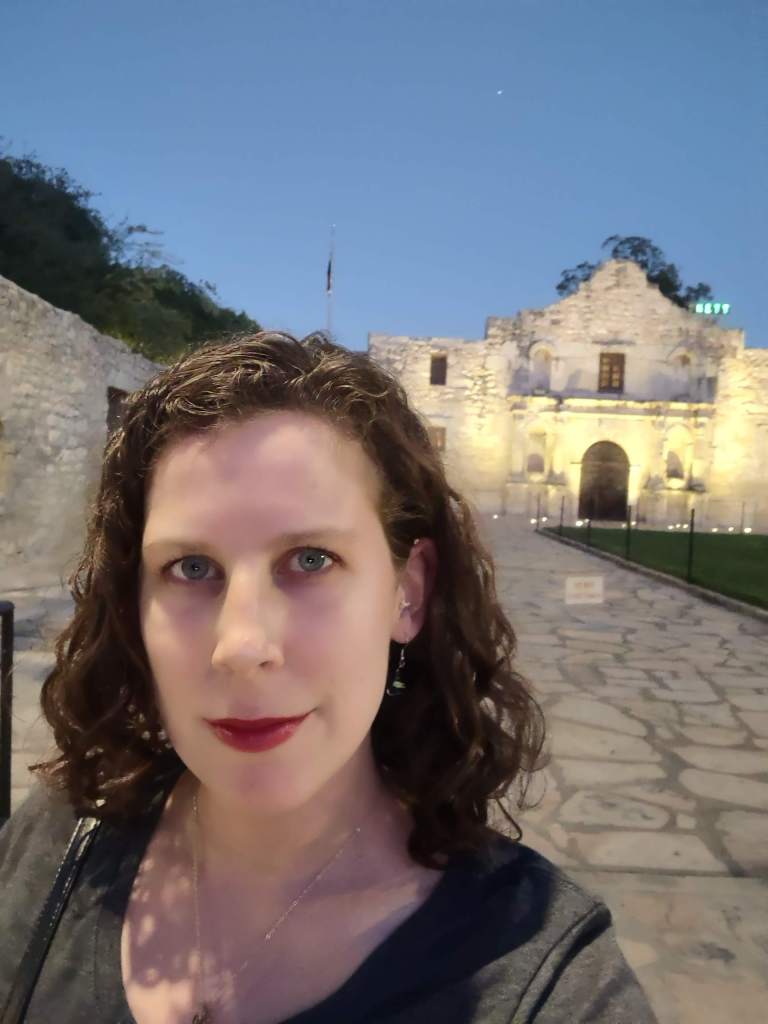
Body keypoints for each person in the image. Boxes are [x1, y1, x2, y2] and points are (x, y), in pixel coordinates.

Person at [0, 331, 659, 1023]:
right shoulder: (58, 840)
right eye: (190, 568)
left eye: (311, 560)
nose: (244, 645)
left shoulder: (548, 980)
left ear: (407, 591)